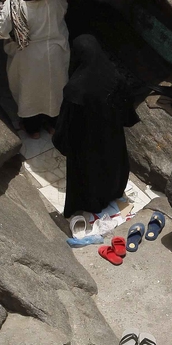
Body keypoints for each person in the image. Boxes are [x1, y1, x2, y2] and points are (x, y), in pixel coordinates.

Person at [53, 35, 139, 218]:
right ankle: (113, 194)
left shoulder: (75, 90)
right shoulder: (113, 75)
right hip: (112, 137)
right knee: (112, 169)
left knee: (89, 177)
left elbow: (66, 125)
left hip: (86, 146)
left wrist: (62, 142)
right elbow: (126, 106)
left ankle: (92, 204)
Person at [0, 0, 69, 138]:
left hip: (26, 57)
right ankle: (53, 126)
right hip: (55, 53)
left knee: (29, 95)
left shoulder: (13, 5)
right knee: (55, 91)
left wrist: (3, 0)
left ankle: (33, 130)